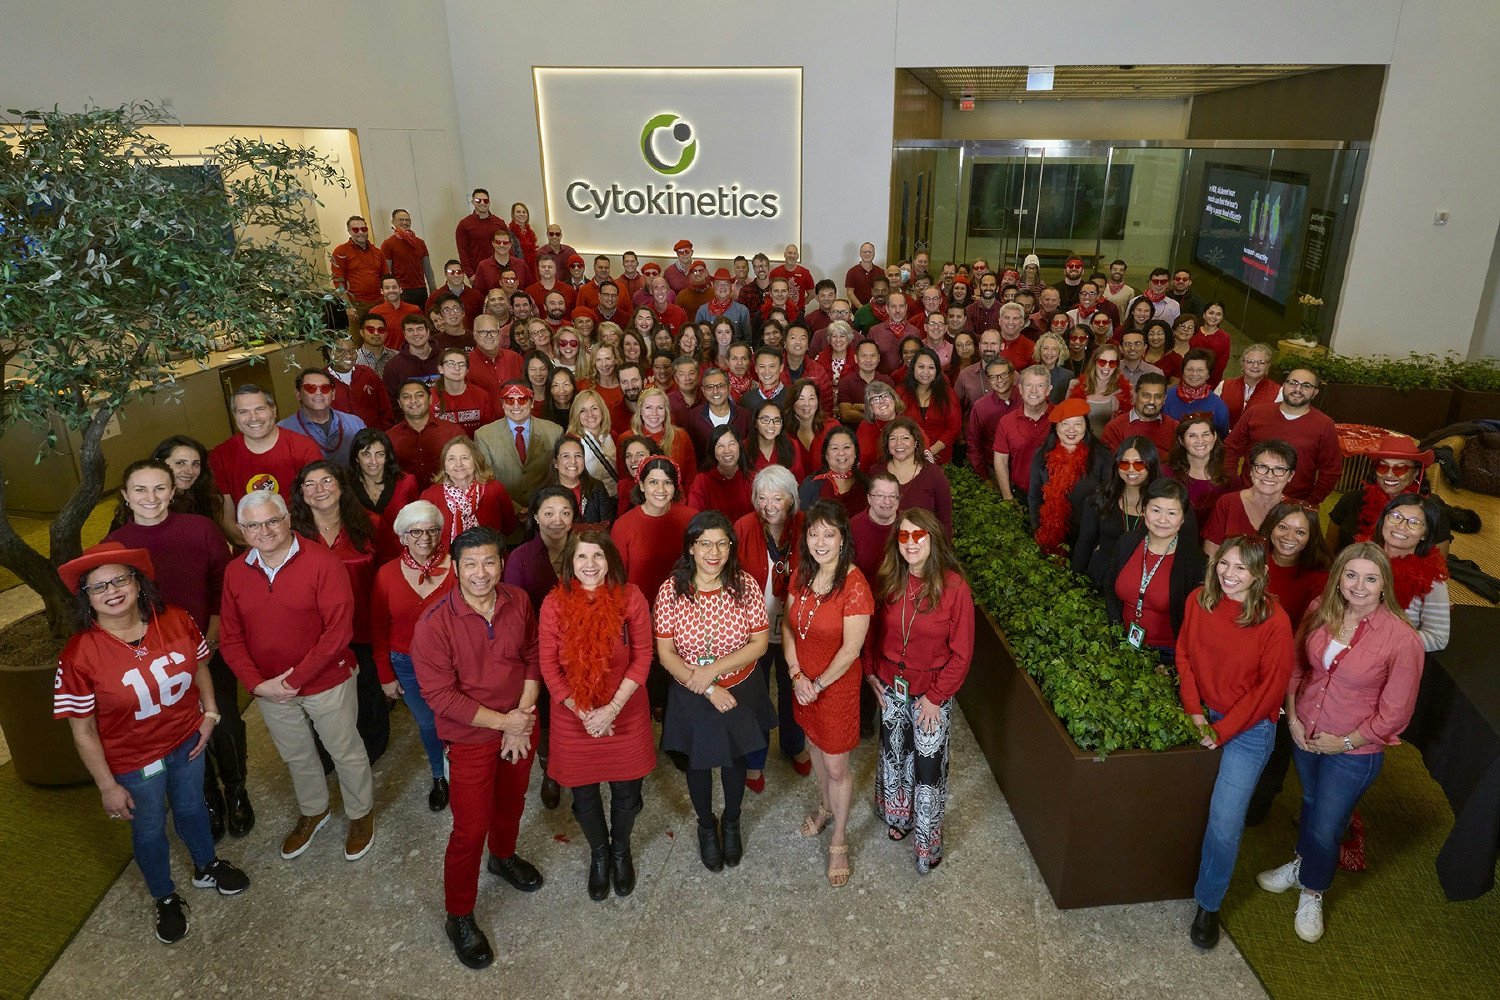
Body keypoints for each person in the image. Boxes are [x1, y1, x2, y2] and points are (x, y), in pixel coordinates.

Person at [54, 542, 250, 944]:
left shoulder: (175, 619)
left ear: (138, 582)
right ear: (86, 598)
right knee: (147, 830)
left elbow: (199, 669)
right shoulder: (79, 654)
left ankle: (206, 865)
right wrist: (107, 785)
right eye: (98, 586)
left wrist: (210, 714)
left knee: (193, 806)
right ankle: (163, 896)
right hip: (133, 760)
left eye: (120, 579)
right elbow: (83, 730)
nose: (111, 590)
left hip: (187, 741)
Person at [1257, 544, 1424, 944]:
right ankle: (1301, 866)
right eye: (1351, 575)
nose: (1359, 586)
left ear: (1385, 583)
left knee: (1329, 827)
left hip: (1353, 752)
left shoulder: (1403, 640)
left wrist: (1345, 742)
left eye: (1371, 578)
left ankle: (1313, 890)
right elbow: (1297, 667)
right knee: (1312, 805)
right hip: (1306, 734)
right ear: (1339, 577)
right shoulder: (1320, 609)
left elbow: (1395, 715)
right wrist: (1293, 718)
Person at [411, 526, 544, 969]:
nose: (481, 573)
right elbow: (441, 697)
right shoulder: (433, 624)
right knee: (469, 830)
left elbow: (532, 655)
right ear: (455, 567)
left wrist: (520, 721)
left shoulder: (518, 601)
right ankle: (459, 916)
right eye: (470, 564)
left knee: (511, 804)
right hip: (471, 740)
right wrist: (506, 723)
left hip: (520, 726)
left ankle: (502, 858)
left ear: (502, 562)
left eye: (489, 561)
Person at [219, 492, 375, 863]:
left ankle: (360, 813)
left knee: (344, 751)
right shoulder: (235, 571)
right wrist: (257, 685)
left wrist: (293, 680)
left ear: (288, 520)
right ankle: (314, 809)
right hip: (269, 690)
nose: (265, 530)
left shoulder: (323, 563)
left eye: (272, 521)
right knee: (297, 755)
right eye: (254, 525)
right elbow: (230, 636)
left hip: (325, 682)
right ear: (242, 530)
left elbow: (338, 632)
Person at [105, 461, 247, 841]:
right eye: (140, 489)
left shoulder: (200, 528)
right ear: (125, 495)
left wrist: (212, 639)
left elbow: (224, 586)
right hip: (157, 663)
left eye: (159, 488)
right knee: (183, 732)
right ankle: (207, 799)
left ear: (173, 492)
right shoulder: (114, 544)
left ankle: (235, 791)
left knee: (225, 722)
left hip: (210, 645)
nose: (150, 498)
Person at [1173, 536, 1295, 948]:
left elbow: (1268, 693)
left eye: (1242, 568)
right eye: (1224, 564)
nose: (1230, 574)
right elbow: (1184, 656)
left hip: (1249, 729)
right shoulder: (1198, 600)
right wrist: (1194, 712)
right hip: (1199, 713)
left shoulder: (1274, 621)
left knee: (1224, 824)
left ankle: (1208, 904)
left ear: (1260, 573)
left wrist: (1222, 732)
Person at [654, 511, 776, 872]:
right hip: (691, 691)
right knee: (698, 760)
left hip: (739, 685)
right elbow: (665, 653)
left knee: (735, 758)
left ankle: (733, 821)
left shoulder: (744, 584)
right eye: (705, 543)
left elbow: (757, 644)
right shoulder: (671, 589)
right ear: (691, 547)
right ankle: (707, 826)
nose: (714, 551)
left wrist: (713, 673)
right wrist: (708, 688)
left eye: (722, 543)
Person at [538, 530, 655, 900]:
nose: (590, 565)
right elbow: (549, 668)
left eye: (598, 557)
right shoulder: (553, 605)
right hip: (575, 718)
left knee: (626, 793)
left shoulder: (631, 598)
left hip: (625, 712)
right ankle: (600, 854)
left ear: (610, 561)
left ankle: (620, 850)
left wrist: (611, 710)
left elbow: (642, 658)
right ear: (570, 564)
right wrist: (586, 712)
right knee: (584, 798)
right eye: (582, 558)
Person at [866, 508, 974, 873]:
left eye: (919, 536)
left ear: (933, 538)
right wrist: (870, 673)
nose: (911, 543)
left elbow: (962, 654)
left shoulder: (955, 587)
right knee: (895, 756)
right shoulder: (889, 579)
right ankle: (899, 817)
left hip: (932, 693)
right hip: (891, 687)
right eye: (904, 536)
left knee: (928, 770)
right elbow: (871, 631)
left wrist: (935, 697)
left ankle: (928, 842)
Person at [781, 501, 873, 887]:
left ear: (842, 539)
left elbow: (851, 650)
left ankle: (839, 838)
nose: (820, 542)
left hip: (833, 688)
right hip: (802, 684)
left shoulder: (855, 586)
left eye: (829, 534)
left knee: (837, 766)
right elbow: (787, 627)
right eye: (814, 533)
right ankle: (824, 806)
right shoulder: (802, 574)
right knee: (814, 747)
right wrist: (796, 674)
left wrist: (815, 684)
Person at [289, 460, 390, 764]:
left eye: (327, 481)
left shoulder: (371, 523)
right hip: (313, 633)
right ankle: (328, 753)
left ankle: (371, 749)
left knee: (367, 690)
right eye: (310, 484)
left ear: (341, 486)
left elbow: (388, 573)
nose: (319, 490)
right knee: (324, 697)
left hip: (364, 626)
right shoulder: (291, 533)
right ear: (302, 493)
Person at [371, 500, 456, 812]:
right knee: (429, 722)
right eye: (416, 531)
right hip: (406, 664)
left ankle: (462, 770)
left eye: (433, 530)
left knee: (456, 718)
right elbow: (378, 629)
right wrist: (386, 676)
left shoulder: (458, 567)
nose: (425, 538)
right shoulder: (386, 575)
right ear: (402, 536)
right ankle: (438, 775)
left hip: (453, 662)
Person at [734, 465, 812, 794]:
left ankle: (794, 744)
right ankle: (754, 757)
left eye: (776, 497)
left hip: (795, 628)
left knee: (792, 688)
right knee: (755, 695)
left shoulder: (805, 525)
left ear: (791, 499)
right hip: (754, 631)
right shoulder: (744, 527)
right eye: (762, 497)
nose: (769, 505)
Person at [611, 456, 700, 710]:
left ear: (676, 486)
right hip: (642, 613)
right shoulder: (624, 525)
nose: (660, 490)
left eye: (667, 483)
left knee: (684, 680)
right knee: (651, 677)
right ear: (640, 485)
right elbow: (618, 581)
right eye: (653, 482)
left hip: (688, 611)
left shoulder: (691, 519)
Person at [1103, 478, 1206, 665]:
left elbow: (1198, 621)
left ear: (1183, 518)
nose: (1162, 520)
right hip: (1124, 641)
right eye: (1156, 510)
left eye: (1172, 513)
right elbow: (1110, 589)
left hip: (1168, 653)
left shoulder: (1195, 560)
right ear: (1144, 511)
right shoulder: (1127, 542)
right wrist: (1115, 631)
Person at [1223, 368, 1342, 505]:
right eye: (1292, 383)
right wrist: (1234, 484)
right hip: (1249, 497)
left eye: (1306, 386)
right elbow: (1231, 448)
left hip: (1294, 504)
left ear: (1315, 392)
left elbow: (1331, 471)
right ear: (1283, 386)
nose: (1297, 389)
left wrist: (1310, 502)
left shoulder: (1324, 425)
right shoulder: (1256, 413)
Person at [209, 385, 323, 520]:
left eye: (260, 409)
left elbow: (320, 504)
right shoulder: (220, 456)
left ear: (273, 410)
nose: (253, 418)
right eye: (243, 412)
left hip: (301, 534)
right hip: (249, 539)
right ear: (235, 416)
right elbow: (226, 518)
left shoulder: (304, 447)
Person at [1327, 434, 1451, 553]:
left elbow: (1437, 570)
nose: (1389, 475)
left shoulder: (1433, 513)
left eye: (1400, 468)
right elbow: (1328, 552)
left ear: (1416, 473)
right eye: (1383, 467)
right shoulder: (1350, 500)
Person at [1073, 437, 1163, 587]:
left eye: (1139, 464)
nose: (1131, 469)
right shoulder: (1099, 500)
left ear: (1151, 465)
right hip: (1102, 578)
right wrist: (1074, 584)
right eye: (1124, 463)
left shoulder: (1166, 504)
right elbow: (1084, 544)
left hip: (1147, 582)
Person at [1029, 398, 1111, 556]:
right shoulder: (1041, 455)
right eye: (1065, 423)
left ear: (1086, 426)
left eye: (1078, 423)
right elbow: (1034, 496)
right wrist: (1037, 530)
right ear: (1056, 427)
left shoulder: (1102, 456)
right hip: (1053, 536)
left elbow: (1110, 498)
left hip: (1089, 536)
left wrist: (1102, 538)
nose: (1071, 430)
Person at [474, 382, 565, 520]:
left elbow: (558, 477)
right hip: (504, 515)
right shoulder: (484, 435)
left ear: (532, 402)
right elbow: (485, 481)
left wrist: (540, 508)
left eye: (522, 399)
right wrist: (517, 509)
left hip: (546, 516)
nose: (516, 406)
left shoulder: (554, 431)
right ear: (502, 404)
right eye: (509, 400)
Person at [1373, 494, 1451, 652]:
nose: (1401, 526)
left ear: (1425, 534)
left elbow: (1438, 638)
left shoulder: (1431, 579)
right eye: (1396, 516)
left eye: (1415, 523)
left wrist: (1384, 642)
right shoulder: (1360, 559)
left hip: (1388, 658)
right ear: (1383, 520)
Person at [421, 436, 519, 547]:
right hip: (446, 561)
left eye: (465, 458)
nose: (458, 464)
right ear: (445, 466)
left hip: (490, 557)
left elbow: (509, 527)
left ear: (476, 461)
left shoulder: (495, 489)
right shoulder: (430, 495)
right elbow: (424, 535)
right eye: (451, 459)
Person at [1204, 439, 1297, 556]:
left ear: (1290, 476)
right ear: (1251, 470)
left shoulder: (1295, 512)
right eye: (1262, 466)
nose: (1269, 475)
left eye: (1279, 469)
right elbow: (1210, 552)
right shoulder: (1227, 503)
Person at [348, 427, 419, 564]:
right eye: (366, 455)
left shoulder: (407, 482)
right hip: (361, 560)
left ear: (387, 456)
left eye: (379, 454)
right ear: (356, 458)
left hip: (400, 558)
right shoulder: (346, 486)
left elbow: (416, 524)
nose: (373, 461)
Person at [386, 378, 465, 490]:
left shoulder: (453, 432)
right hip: (407, 503)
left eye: (419, 395)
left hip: (447, 499)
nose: (413, 400)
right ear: (399, 403)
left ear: (430, 399)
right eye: (406, 397)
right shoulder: (389, 438)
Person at [879, 416, 952, 534]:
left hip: (922, 546)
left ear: (916, 442)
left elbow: (944, 520)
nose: (899, 443)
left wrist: (943, 551)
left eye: (905, 438)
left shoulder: (934, 474)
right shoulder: (876, 472)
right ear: (887, 444)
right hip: (884, 546)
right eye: (893, 438)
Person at [992, 365, 1053, 501]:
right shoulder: (1006, 421)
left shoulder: (1061, 417)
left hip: (1056, 495)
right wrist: (1008, 497)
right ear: (1020, 389)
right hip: (1020, 494)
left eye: (1040, 386)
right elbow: (1001, 460)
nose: (1033, 391)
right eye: (1028, 385)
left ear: (1048, 390)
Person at [1166, 414, 1232, 529]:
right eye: (1192, 436)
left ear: (1215, 436)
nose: (1200, 441)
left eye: (1205, 434)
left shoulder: (1230, 481)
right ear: (1181, 441)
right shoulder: (1165, 474)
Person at [896, 347, 961, 464]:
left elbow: (954, 427)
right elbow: (895, 426)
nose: (926, 372)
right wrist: (915, 453)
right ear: (913, 368)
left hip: (939, 457)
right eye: (921, 367)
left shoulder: (948, 394)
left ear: (937, 371)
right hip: (906, 457)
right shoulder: (901, 392)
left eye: (931, 367)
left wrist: (930, 451)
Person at [627, 385, 697, 487]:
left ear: (666, 411)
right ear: (640, 411)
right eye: (648, 407)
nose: (654, 413)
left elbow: (690, 478)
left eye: (659, 408)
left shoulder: (681, 436)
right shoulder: (627, 438)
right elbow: (625, 480)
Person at [687, 424, 755, 522]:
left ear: (740, 446)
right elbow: (694, 518)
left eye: (731, 444)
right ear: (713, 451)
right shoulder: (702, 481)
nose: (727, 450)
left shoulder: (754, 479)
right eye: (720, 446)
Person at [798, 425, 867, 518]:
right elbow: (801, 522)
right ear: (826, 455)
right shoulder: (811, 484)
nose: (841, 453)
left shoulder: (866, 484)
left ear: (855, 453)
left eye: (846, 447)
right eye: (835, 448)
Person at [326, 336, 394, 431]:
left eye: (352, 351)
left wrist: (382, 434)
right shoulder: (323, 380)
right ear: (330, 353)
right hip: (340, 442)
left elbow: (385, 408)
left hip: (373, 437)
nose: (348, 356)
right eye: (341, 351)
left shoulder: (367, 373)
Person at [1101, 372, 1177, 456]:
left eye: (1158, 396)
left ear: (1164, 399)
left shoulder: (1175, 427)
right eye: (1146, 395)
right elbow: (1110, 465)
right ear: (1135, 396)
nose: (1152, 401)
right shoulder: (1114, 428)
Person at [548, 434, 615, 525]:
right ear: (555, 463)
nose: (573, 461)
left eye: (578, 455)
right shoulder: (545, 493)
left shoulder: (597, 488)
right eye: (566, 456)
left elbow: (607, 525)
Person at [1067, 343, 1132, 437]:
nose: (1106, 366)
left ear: (1117, 366)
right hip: (1080, 444)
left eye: (1112, 363)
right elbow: (1064, 419)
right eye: (1102, 361)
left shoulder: (1126, 390)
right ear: (1095, 362)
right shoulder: (1075, 384)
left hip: (1110, 447)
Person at [1163, 349, 1231, 436]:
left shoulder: (1218, 406)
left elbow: (1222, 438)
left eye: (1200, 370)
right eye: (1190, 369)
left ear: (1208, 374)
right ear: (1182, 371)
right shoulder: (1167, 396)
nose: (1194, 374)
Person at [430, 348, 494, 437]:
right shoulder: (430, 396)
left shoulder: (482, 396)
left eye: (462, 364)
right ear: (440, 369)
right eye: (451, 364)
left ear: (467, 371)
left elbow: (489, 431)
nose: (457, 368)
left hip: (474, 448)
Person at [1217, 343, 1280, 428]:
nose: (1255, 366)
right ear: (1242, 364)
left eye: (1261, 362)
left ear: (1268, 366)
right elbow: (1212, 416)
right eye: (1250, 361)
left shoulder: (1279, 392)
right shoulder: (1224, 385)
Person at [382, 208, 435, 305]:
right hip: (401, 291)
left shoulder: (420, 243)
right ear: (393, 222)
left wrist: (433, 290)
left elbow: (428, 269)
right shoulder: (388, 244)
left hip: (421, 290)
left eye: (407, 220)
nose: (404, 223)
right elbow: (387, 271)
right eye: (400, 220)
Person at [745, 399, 805, 481]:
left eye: (777, 420)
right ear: (755, 423)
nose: (771, 425)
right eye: (765, 419)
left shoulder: (792, 446)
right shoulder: (743, 448)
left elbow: (799, 481)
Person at [1190, 301, 1232, 386]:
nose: (1214, 317)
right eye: (1211, 313)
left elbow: (1222, 363)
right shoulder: (1193, 331)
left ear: (1222, 318)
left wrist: (1205, 376)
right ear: (1204, 315)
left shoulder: (1225, 337)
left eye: (1218, 314)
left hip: (1211, 380)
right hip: (1188, 375)